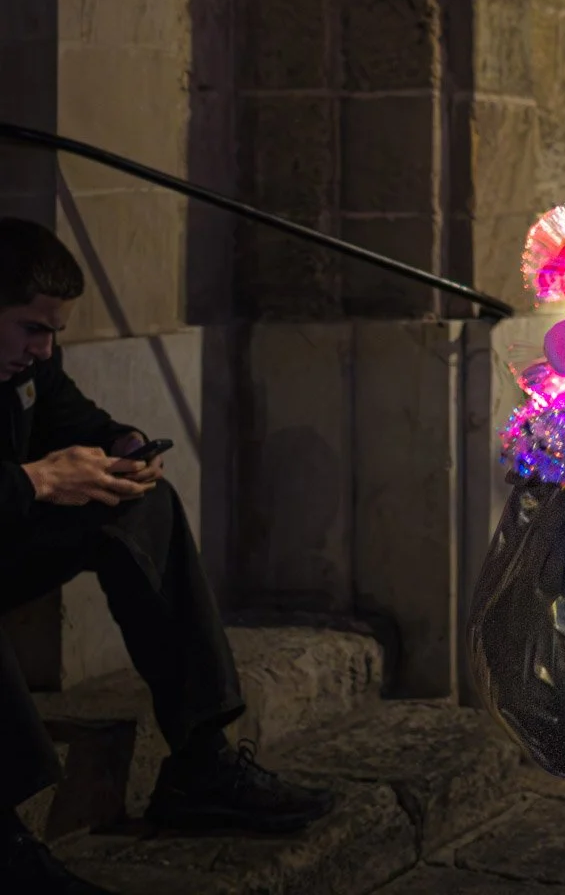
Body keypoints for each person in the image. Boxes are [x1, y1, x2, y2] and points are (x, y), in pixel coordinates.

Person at [1, 219, 332, 895]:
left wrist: (122, 444)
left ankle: (200, 760)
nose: (44, 349)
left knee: (143, 504)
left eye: (56, 333)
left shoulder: (31, 364)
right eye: (32, 328)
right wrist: (37, 480)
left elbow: (72, 417)